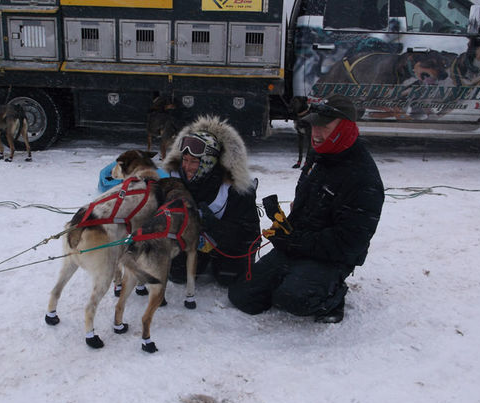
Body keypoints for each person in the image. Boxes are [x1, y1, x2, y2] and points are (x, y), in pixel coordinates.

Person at [228, 94, 384, 322]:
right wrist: (286, 228)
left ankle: (332, 297)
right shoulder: (320, 155)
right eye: (314, 126)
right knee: (244, 296)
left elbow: (350, 243)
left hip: (332, 256)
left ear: (346, 127)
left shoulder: (363, 178)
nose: (316, 134)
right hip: (299, 244)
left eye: (324, 127)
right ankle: (292, 278)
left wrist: (296, 241)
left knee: (294, 299)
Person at [163, 115, 261, 286]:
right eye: (185, 160)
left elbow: (250, 235)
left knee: (229, 277)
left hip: (225, 244)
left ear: (208, 162)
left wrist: (213, 224)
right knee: (178, 274)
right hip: (191, 241)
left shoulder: (234, 187)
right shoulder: (173, 179)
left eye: (194, 162)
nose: (187, 167)